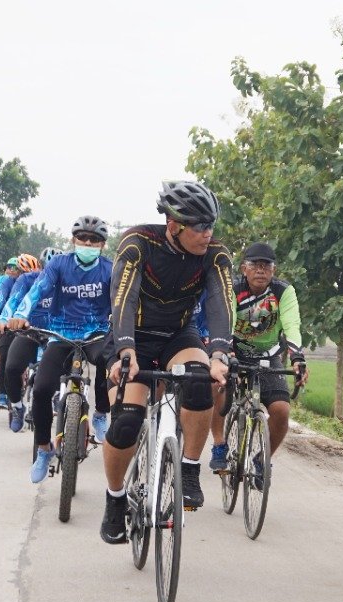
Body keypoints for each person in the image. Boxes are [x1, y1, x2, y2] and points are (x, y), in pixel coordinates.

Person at [100, 180, 234, 544]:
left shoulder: (214, 254)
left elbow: (220, 301)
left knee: (199, 380)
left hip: (178, 334)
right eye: (201, 227)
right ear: (174, 225)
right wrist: (125, 349)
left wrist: (219, 353)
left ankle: (189, 469)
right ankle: (114, 500)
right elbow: (122, 298)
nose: (208, 234)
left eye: (212, 226)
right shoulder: (139, 243)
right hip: (134, 336)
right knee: (127, 421)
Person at [7, 220, 114, 483]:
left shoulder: (110, 269)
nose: (87, 244)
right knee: (42, 389)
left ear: (102, 244)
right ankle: (44, 449)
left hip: (96, 333)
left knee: (107, 361)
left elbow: (120, 300)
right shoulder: (59, 265)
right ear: (73, 240)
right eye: (82, 238)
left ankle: (100, 412)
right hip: (61, 334)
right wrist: (20, 314)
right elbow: (39, 288)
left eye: (93, 240)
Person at [203, 241, 308, 480]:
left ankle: (263, 459)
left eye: (266, 265)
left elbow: (292, 325)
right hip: (234, 351)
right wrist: (224, 352)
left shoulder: (283, 291)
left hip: (268, 355)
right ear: (244, 268)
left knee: (281, 410)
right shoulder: (233, 287)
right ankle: (219, 444)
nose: (261, 270)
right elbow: (224, 319)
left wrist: (298, 357)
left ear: (273, 270)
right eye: (255, 265)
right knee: (216, 384)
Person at [0, 247, 63, 433]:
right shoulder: (27, 280)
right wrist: (4, 319)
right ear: (40, 268)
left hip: (58, 335)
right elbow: (14, 300)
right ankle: (17, 407)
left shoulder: (67, 283)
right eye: (46, 269)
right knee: (11, 367)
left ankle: (59, 395)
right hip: (30, 331)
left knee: (64, 366)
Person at [0, 254, 41, 410]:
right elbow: (4, 300)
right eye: (20, 272)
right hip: (10, 324)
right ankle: (3, 394)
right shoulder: (8, 283)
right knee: (5, 356)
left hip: (37, 326)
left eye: (28, 272)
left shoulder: (42, 282)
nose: (24, 276)